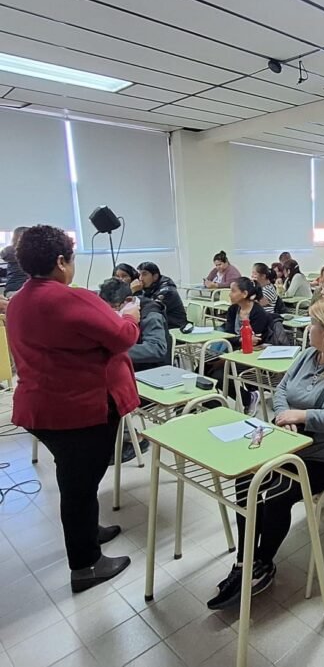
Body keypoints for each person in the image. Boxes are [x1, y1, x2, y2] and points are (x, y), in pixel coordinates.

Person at [207, 299, 324, 609]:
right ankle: (245, 561)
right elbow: (282, 391)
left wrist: (302, 417)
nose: (307, 329)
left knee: (274, 494)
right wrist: (285, 417)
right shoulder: (307, 357)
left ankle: (262, 561)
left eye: (313, 325)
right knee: (246, 480)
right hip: (291, 444)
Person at [6, 225, 139, 592]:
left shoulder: (19, 300)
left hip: (43, 407)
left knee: (75, 477)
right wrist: (130, 317)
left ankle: (89, 532)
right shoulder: (68, 298)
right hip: (80, 409)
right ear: (62, 261)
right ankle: (86, 565)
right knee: (79, 485)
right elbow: (124, 336)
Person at [206, 278, 270, 415]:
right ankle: (210, 406)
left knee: (219, 375)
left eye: (233, 291)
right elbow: (229, 335)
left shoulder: (258, 312)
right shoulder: (233, 309)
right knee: (202, 368)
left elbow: (256, 341)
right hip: (232, 349)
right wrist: (242, 339)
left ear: (244, 293)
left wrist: (239, 340)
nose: (229, 294)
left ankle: (248, 398)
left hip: (251, 355)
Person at [99, 278, 171, 372]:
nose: (111, 313)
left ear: (128, 301)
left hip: (149, 371)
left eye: (114, 307)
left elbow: (157, 349)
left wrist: (113, 351)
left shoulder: (151, 314)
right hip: (122, 366)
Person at [135, 262, 189, 330]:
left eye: (144, 274)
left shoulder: (167, 291)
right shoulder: (149, 288)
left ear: (155, 276)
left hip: (175, 326)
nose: (140, 278)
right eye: (139, 275)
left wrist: (134, 292)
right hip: (160, 323)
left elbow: (151, 310)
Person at [1, 226, 29, 296]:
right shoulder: (33, 252)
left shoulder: (8, 250)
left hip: (12, 289)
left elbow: (3, 255)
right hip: (28, 289)